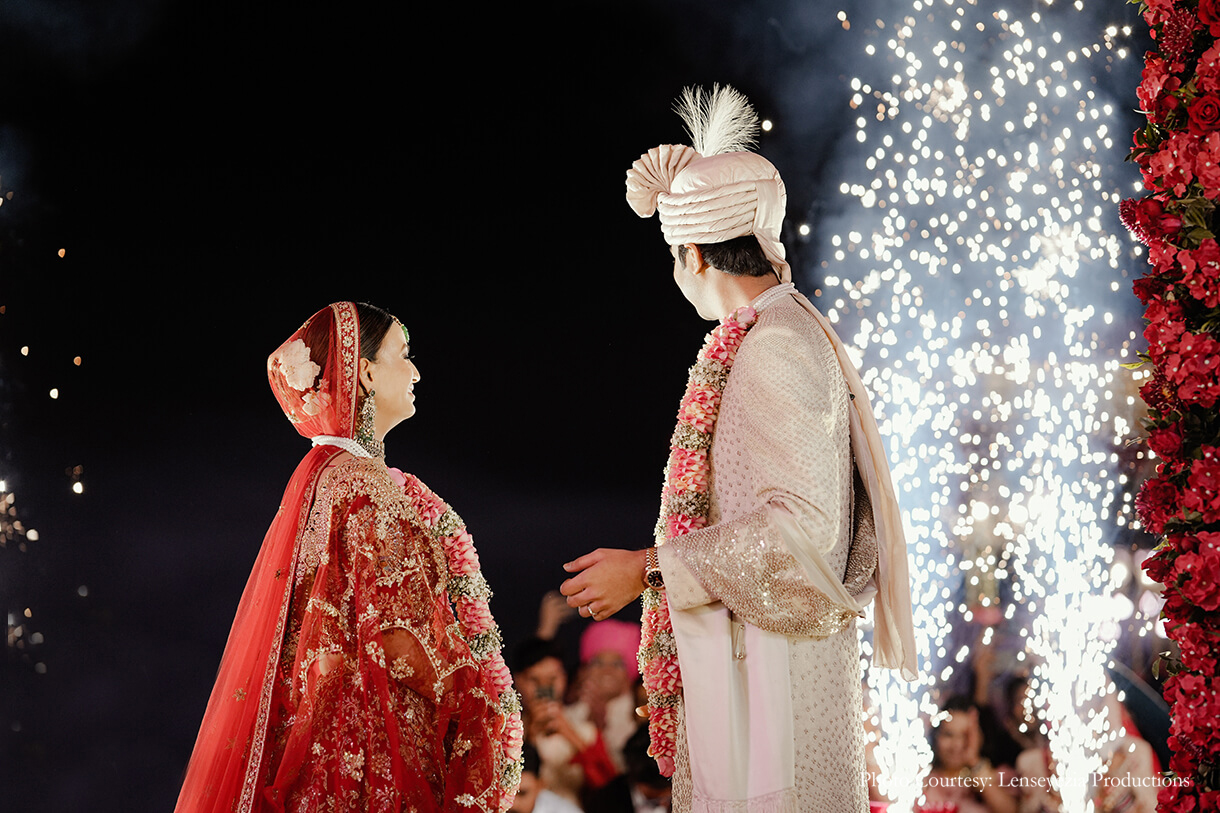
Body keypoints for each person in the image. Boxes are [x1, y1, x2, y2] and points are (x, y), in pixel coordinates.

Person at [558, 86, 917, 811]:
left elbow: (803, 532)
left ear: (691, 252)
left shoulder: (776, 345)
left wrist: (650, 567)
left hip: (773, 691)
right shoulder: (773, 335)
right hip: (762, 670)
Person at [174, 302, 522, 812]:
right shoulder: (365, 487)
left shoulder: (323, 476)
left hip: (327, 750)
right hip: (372, 756)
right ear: (364, 371)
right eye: (403, 355)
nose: (417, 371)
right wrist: (485, 702)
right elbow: (401, 637)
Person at [512, 636, 619, 807]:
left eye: (552, 679)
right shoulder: (506, 732)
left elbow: (612, 790)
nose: (544, 688)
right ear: (518, 680)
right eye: (535, 680)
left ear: (564, 677)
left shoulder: (587, 732)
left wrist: (569, 734)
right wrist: (530, 737)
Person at [918, 696, 1017, 813]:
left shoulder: (998, 777)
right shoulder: (920, 780)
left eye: (965, 736)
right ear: (936, 736)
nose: (957, 745)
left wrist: (974, 761)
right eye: (949, 734)